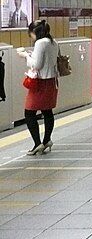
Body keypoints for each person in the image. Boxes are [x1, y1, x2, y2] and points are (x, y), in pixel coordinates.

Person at [18, 20, 58, 155]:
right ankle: (47, 140)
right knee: (47, 111)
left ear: (35, 32)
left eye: (31, 34)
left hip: (40, 83)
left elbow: (37, 65)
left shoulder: (41, 43)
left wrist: (25, 55)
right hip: (51, 81)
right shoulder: (53, 42)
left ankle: (37, 143)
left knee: (29, 113)